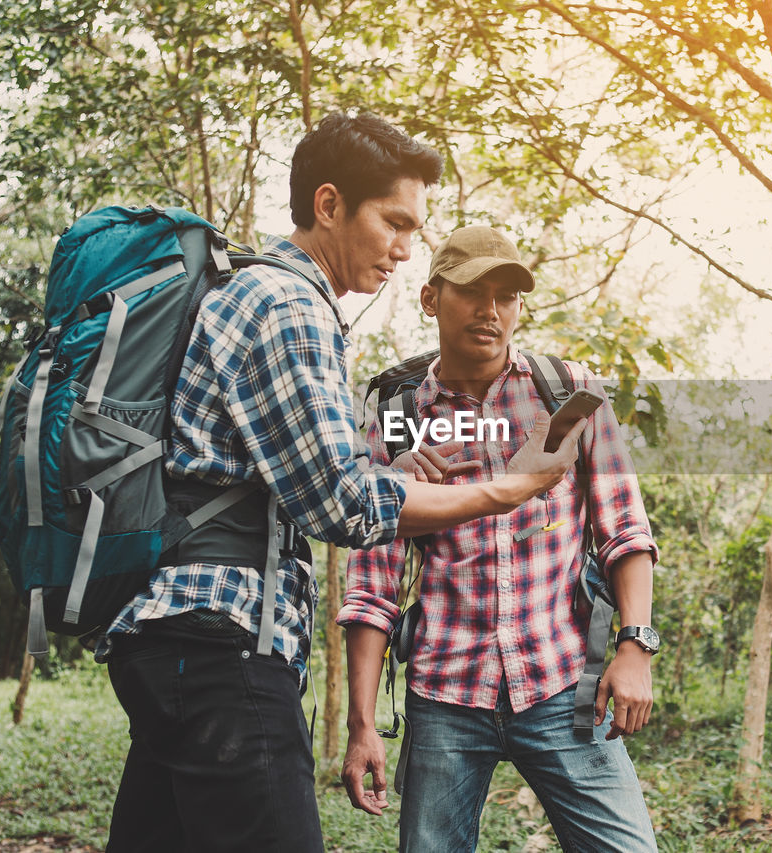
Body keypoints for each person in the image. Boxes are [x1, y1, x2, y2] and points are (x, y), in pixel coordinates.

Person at [94, 114, 584, 853]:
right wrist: (510, 489)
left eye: (414, 228)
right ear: (329, 205)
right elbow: (343, 506)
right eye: (393, 222)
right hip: (221, 647)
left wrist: (382, 474)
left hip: (174, 640)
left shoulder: (255, 295)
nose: (405, 248)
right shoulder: (290, 306)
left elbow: (295, 475)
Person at [338, 225, 661, 852]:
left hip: (562, 683)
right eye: (472, 292)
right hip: (445, 693)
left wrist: (635, 647)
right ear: (431, 298)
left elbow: (623, 526)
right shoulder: (400, 411)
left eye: (506, 295)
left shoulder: (569, 392)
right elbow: (372, 582)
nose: (491, 311)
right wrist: (362, 723)